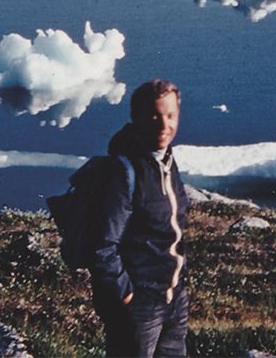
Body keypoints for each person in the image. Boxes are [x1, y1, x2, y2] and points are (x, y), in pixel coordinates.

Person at [86, 78, 189, 357]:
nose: (163, 126)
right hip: (140, 303)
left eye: (170, 116)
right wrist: (126, 294)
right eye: (154, 116)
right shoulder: (124, 171)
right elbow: (103, 245)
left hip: (172, 295)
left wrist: (177, 286)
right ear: (136, 119)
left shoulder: (166, 160)